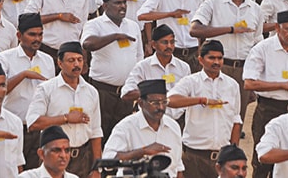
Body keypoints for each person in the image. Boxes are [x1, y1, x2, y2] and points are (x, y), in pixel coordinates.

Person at [191, 0, 263, 120]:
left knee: (237, 119)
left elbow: (258, 44)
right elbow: (194, 30)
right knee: (212, 116)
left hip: (243, 70)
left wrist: (254, 79)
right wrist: (230, 29)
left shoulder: (255, 9)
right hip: (217, 68)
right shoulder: (213, 3)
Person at [243, 10, 288, 178]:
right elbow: (249, 83)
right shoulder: (262, 49)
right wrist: (280, 85)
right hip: (269, 109)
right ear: (278, 28)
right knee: (263, 160)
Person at [26, 42, 102, 178]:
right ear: (60, 63)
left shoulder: (91, 92)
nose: (76, 65)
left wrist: (97, 168)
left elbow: (95, 132)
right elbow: (33, 123)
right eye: (71, 60)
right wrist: (66, 118)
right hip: (53, 158)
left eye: (79, 60)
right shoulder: (46, 89)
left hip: (83, 158)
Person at [168, 40, 242, 177]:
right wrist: (201, 100)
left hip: (222, 158)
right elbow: (170, 101)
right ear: (201, 60)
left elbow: (236, 120)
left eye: (220, 58)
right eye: (211, 58)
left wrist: (234, 152)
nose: (216, 62)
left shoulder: (232, 85)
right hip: (194, 156)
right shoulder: (191, 82)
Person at [0, 13, 55, 169]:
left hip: (38, 128)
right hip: (12, 127)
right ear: (19, 35)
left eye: (40, 34)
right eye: (32, 34)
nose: (37, 39)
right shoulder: (4, 58)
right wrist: (23, 75)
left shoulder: (47, 60)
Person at [82, 0, 142, 141]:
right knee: (99, 133)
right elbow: (88, 44)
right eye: (117, 3)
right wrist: (115, 36)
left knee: (121, 135)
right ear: (105, 5)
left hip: (125, 93)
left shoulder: (133, 25)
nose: (122, 6)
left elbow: (139, 56)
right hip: (103, 91)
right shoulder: (94, 24)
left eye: (124, 2)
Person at [103, 79, 185, 177]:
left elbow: (177, 168)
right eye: (155, 103)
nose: (161, 107)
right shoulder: (126, 127)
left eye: (164, 102)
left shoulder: (173, 126)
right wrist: (142, 151)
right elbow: (107, 162)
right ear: (141, 103)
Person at [137, 0, 202, 73]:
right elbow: (142, 15)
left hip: (193, 53)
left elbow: (202, 24)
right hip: (171, 52)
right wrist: (170, 14)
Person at [121, 25, 191, 123]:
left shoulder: (183, 67)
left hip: (178, 121)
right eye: (164, 42)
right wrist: (152, 93)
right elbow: (126, 94)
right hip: (150, 121)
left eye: (172, 42)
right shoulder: (143, 67)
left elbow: (189, 94)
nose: (169, 46)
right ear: (153, 44)